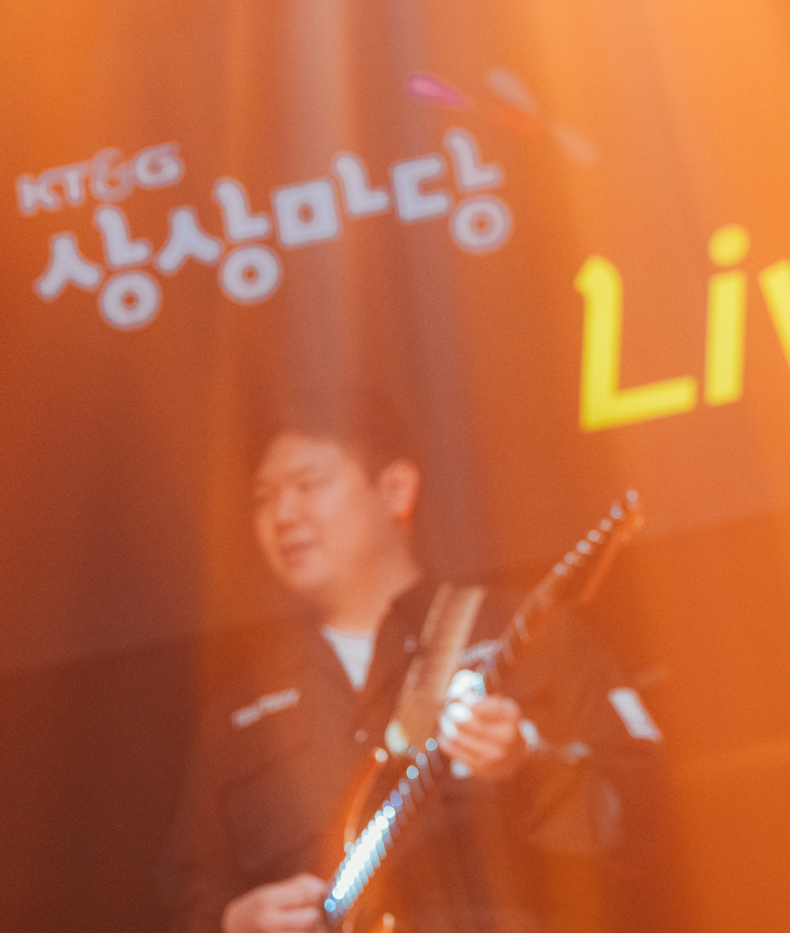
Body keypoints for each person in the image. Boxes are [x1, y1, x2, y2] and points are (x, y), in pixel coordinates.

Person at [161, 389, 670, 933]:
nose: (282, 515)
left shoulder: (530, 635)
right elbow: (184, 898)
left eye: (308, 484)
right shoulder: (237, 716)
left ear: (395, 489)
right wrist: (231, 922)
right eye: (264, 498)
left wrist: (528, 764)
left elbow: (651, 821)